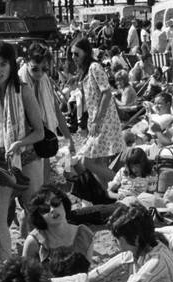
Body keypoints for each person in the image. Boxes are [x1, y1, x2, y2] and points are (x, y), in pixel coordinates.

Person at [0, 41, 44, 251]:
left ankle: (34, 258)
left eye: (3, 64)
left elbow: (39, 132)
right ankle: (7, 261)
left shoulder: (23, 91)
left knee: (34, 213)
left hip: (26, 156)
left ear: (11, 65)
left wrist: (20, 142)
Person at [72, 38, 123, 186]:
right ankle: (106, 195)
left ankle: (123, 184)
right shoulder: (87, 69)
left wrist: (97, 120)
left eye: (76, 54)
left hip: (104, 120)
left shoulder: (94, 67)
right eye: (72, 54)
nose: (73, 57)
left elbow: (107, 93)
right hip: (98, 119)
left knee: (87, 161)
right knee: (99, 163)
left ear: (86, 52)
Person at [21, 185, 94, 267]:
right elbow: (26, 274)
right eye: (44, 208)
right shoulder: (34, 242)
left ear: (63, 202)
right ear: (38, 216)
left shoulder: (84, 235)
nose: (52, 210)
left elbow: (86, 273)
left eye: (55, 202)